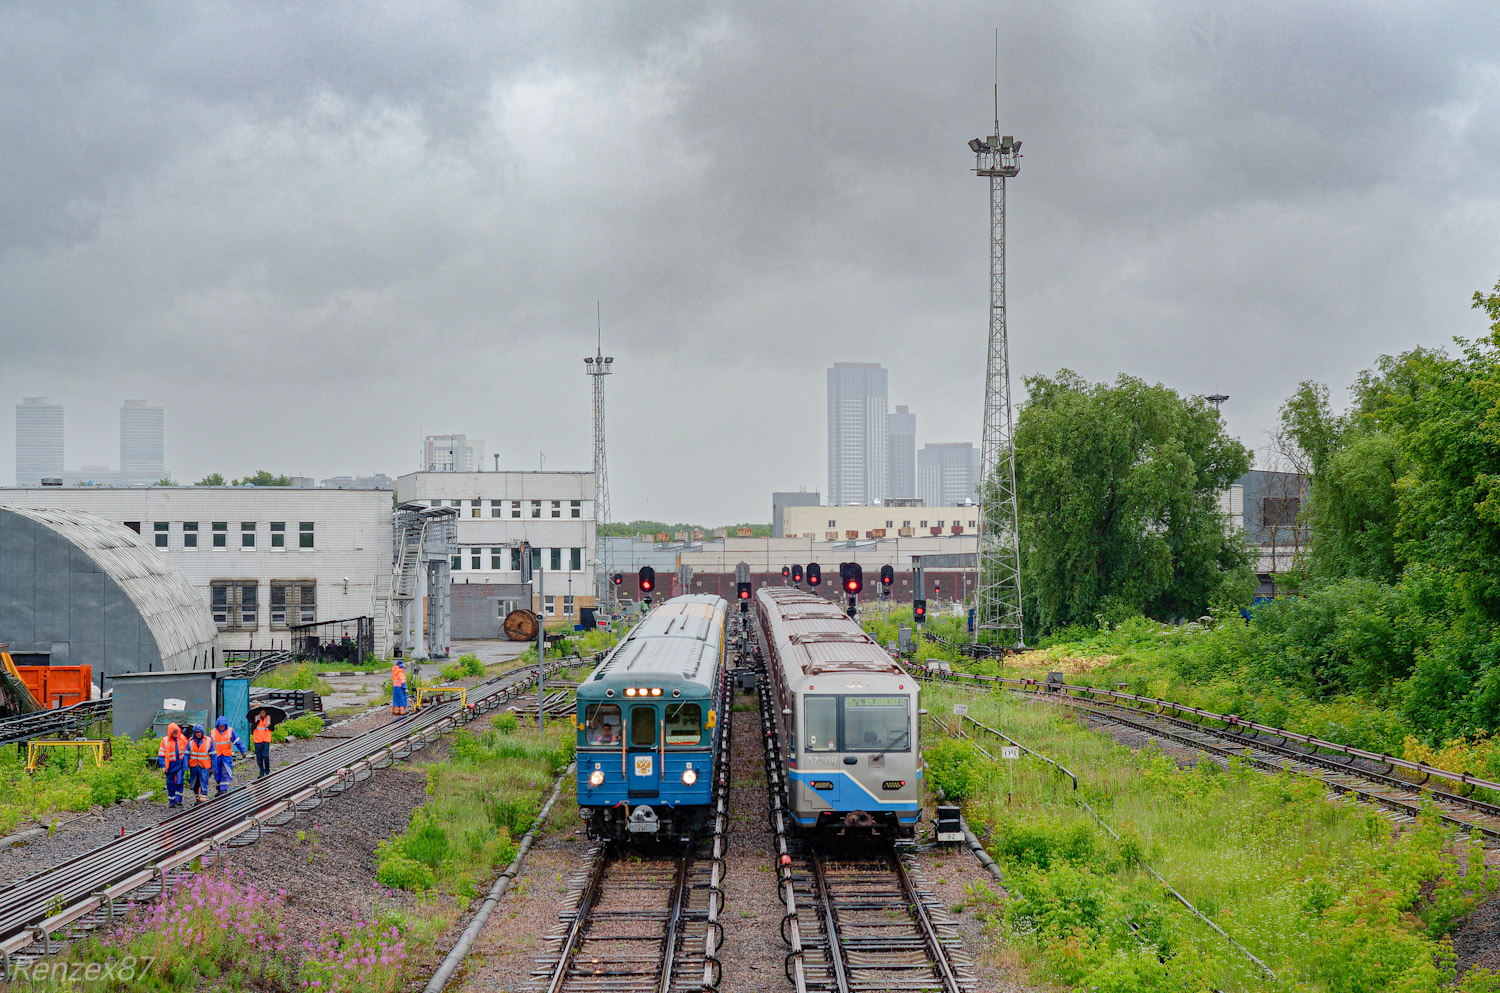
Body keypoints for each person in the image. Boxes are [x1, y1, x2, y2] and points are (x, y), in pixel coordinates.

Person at [209, 716, 247, 794]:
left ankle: (224, 789)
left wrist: (242, 750)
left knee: (225, 772)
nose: (221, 727)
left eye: (223, 726)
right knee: (217, 773)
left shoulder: (230, 731)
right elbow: (208, 745)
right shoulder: (212, 733)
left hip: (226, 756)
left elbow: (237, 741)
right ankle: (219, 789)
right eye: (220, 726)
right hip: (217, 757)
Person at [157, 722, 189, 807]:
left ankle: (178, 799)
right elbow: (161, 755)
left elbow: (187, 751)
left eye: (176, 731)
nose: (176, 733)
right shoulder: (165, 741)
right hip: (170, 766)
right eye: (174, 732)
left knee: (179, 781)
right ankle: (172, 801)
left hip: (179, 764)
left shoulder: (182, 738)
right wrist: (163, 766)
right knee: (170, 783)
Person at [186, 724, 213, 803]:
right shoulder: (190, 741)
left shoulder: (208, 741)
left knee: (204, 782)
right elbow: (186, 754)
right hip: (194, 766)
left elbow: (213, 755)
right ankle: (198, 798)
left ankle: (202, 801)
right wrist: (185, 766)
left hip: (204, 766)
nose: (198, 734)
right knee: (195, 783)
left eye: (200, 732)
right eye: (197, 732)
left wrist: (214, 767)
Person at [252, 709, 274, 779]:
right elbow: (252, 728)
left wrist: (268, 726)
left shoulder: (269, 718)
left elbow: (273, 728)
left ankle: (267, 770)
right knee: (259, 757)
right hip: (258, 740)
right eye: (261, 713)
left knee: (265, 756)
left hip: (266, 740)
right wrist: (257, 721)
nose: (262, 714)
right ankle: (261, 772)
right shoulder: (255, 718)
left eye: (263, 713)